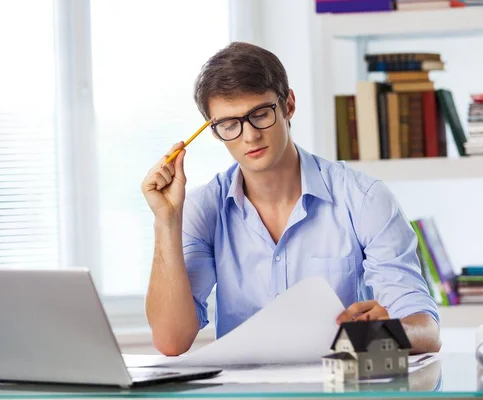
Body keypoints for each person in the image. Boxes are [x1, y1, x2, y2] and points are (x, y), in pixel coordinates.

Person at [142, 41, 441, 357]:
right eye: (230, 124)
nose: (250, 135)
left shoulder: (365, 199)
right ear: (215, 132)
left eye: (260, 114)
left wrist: (382, 334)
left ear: (288, 106)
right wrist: (166, 220)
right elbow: (172, 341)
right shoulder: (203, 209)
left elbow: (426, 330)